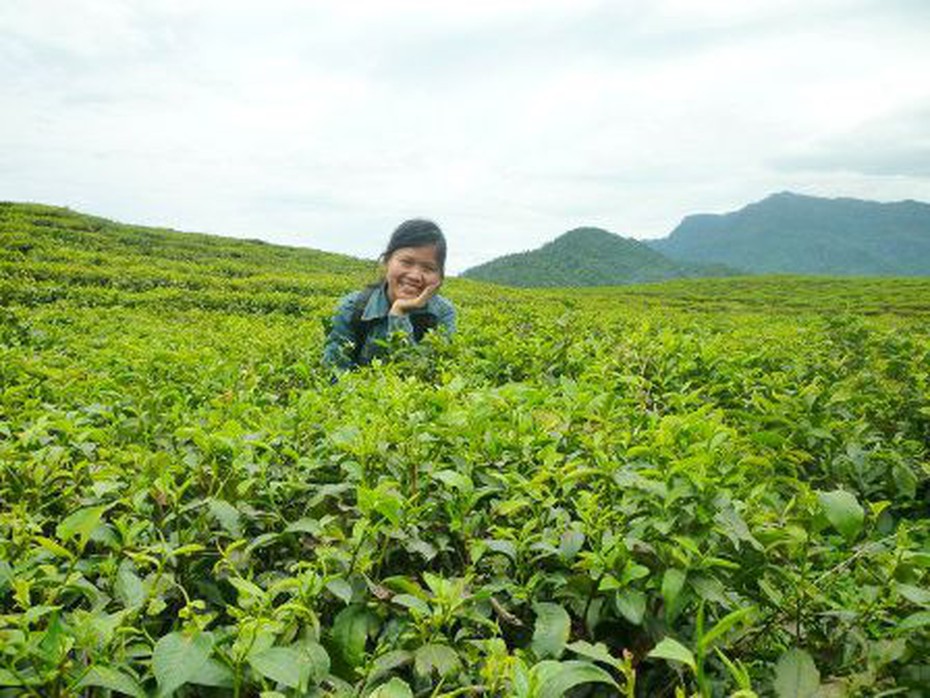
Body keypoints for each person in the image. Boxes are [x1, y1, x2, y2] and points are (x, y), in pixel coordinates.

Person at [322, 219, 456, 370]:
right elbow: (334, 373)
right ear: (387, 261)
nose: (415, 276)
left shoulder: (443, 313)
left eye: (428, 268)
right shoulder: (351, 308)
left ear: (440, 277)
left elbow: (422, 377)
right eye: (406, 262)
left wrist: (399, 314)